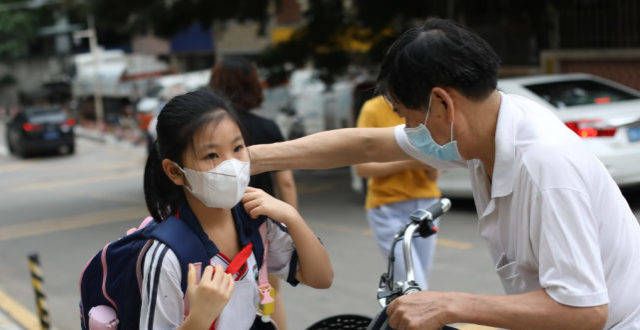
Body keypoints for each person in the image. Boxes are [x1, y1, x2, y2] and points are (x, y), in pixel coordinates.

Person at [247, 18, 640, 330]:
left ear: (442, 103)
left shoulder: (544, 166)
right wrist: (251, 158)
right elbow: (365, 145)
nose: (411, 131)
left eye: (409, 118)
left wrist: (450, 304)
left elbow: (585, 311)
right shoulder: (486, 128)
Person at [141, 89, 332, 329]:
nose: (231, 165)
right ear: (175, 171)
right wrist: (200, 317)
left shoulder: (254, 219)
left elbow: (321, 277)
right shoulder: (167, 255)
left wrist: (291, 217)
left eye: (238, 148)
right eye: (212, 154)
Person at [209, 56, 298, 329]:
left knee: (223, 300)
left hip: (218, 223)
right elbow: (286, 182)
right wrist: (289, 223)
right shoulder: (267, 126)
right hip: (261, 221)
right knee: (269, 294)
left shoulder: (209, 130)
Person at [354, 95, 440, 290]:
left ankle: (404, 317)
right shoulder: (372, 109)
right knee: (415, 285)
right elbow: (363, 169)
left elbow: (433, 174)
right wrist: (411, 160)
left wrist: (431, 160)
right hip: (386, 207)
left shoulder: (424, 104)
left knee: (416, 283)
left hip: (426, 205)